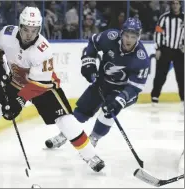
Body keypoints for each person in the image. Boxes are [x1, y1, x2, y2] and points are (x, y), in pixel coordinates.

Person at [0, 7, 105, 173]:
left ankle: (90, 155)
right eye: (26, 29)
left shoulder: (43, 49)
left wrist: (19, 101)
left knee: (65, 120)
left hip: (43, 86)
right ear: (20, 26)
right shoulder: (7, 33)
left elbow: (37, 84)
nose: (29, 34)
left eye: (34, 31)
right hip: (16, 81)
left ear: (39, 29)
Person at [45, 17, 150, 148]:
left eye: (133, 37)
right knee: (83, 109)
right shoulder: (110, 37)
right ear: (121, 33)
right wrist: (88, 63)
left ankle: (93, 139)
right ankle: (64, 135)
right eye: (126, 35)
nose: (128, 40)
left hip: (122, 89)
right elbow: (93, 43)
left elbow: (135, 87)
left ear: (138, 38)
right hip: (102, 82)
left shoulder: (141, 58)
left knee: (108, 111)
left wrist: (121, 99)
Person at [151, 0, 184, 105]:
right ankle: (155, 96)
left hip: (179, 51)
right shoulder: (164, 17)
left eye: (177, 3)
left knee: (181, 75)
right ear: (170, 5)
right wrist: (157, 48)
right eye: (173, 3)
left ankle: (183, 98)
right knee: (161, 74)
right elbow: (158, 33)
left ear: (180, 5)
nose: (175, 5)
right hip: (165, 49)